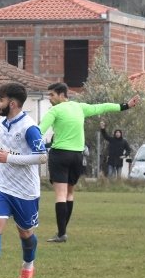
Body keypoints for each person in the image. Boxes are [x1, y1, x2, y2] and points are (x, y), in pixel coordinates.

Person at [37, 82, 139, 243]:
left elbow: (40, 130)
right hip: (77, 156)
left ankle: (61, 233)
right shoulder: (80, 107)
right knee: (69, 193)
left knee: (60, 194)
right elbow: (103, 106)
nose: (49, 98)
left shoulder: (54, 110)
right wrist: (125, 106)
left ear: (62, 95)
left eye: (52, 95)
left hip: (60, 155)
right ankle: (62, 231)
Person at [0, 83, 47, 278]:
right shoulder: (4, 123)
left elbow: (42, 157)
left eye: (1, 99)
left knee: (25, 233)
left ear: (12, 103)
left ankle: (28, 265)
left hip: (25, 190)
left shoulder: (29, 127)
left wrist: (9, 158)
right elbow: (8, 153)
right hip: (3, 186)